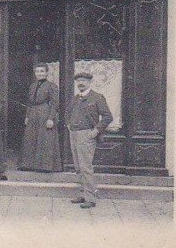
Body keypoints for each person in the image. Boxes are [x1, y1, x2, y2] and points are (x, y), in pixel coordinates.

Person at [64, 72, 113, 209]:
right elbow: (67, 113)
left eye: (84, 80)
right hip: (74, 134)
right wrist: (69, 125)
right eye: (79, 80)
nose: (81, 83)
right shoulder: (75, 98)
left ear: (89, 82)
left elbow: (108, 117)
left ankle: (90, 198)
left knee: (86, 167)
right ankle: (83, 194)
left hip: (87, 135)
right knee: (78, 167)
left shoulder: (97, 97)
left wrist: (96, 131)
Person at [20, 63, 62, 172]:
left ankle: (44, 166)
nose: (39, 73)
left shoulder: (52, 86)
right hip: (33, 113)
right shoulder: (32, 86)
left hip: (45, 113)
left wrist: (51, 118)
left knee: (45, 139)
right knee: (31, 138)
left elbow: (55, 103)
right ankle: (29, 165)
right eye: (37, 71)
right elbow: (29, 102)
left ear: (47, 73)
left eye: (42, 71)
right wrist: (27, 116)